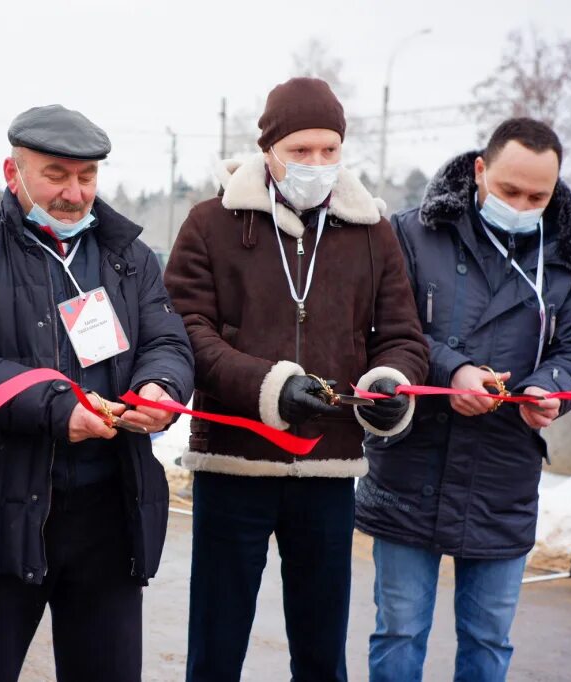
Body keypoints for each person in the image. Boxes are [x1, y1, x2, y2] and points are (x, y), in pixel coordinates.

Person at [164, 77, 430, 682]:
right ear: (269, 150)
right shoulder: (212, 223)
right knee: (216, 645)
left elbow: (400, 335)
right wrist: (269, 386)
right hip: (235, 463)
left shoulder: (372, 232)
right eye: (301, 151)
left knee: (320, 651)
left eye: (329, 150)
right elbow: (187, 330)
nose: (316, 164)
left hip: (328, 468)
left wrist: (391, 382)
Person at [0, 104, 194, 682]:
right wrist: (56, 409)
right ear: (12, 171)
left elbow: (168, 340)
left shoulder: (130, 257)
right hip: (2, 504)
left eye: (87, 176)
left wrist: (157, 388)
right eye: (56, 174)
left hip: (109, 513)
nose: (75, 192)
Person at [356, 118, 571, 682]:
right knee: (399, 629)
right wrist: (454, 370)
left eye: (538, 196)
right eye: (510, 191)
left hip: (502, 475)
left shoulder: (565, 259)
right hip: (413, 464)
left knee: (489, 640)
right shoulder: (412, 234)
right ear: (480, 170)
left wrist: (550, 390)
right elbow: (385, 326)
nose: (522, 204)